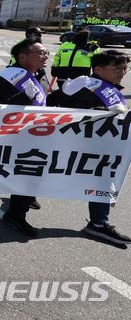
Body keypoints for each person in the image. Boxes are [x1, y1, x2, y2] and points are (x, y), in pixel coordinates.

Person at [47, 50, 131, 245]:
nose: (122, 72)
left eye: (125, 68)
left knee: (102, 182)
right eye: (117, 68)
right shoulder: (88, 87)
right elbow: (74, 114)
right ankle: (16, 208)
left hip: (102, 146)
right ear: (99, 69)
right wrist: (105, 111)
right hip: (84, 145)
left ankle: (98, 223)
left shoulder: (108, 86)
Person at [0, 38, 50, 237]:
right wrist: (25, 97)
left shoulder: (39, 74)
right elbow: (3, 108)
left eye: (46, 52)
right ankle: (16, 215)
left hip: (39, 133)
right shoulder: (5, 77)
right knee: (23, 173)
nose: (45, 56)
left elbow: (44, 102)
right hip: (16, 136)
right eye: (40, 53)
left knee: (30, 174)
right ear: (22, 56)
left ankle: (21, 205)